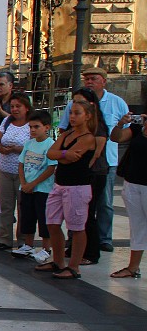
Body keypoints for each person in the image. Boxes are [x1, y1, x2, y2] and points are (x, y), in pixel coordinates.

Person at [58, 68, 128, 252]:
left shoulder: (116, 103)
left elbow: (124, 131)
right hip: (77, 163)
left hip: (105, 162)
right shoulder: (72, 107)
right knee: (77, 206)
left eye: (93, 78)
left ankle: (104, 238)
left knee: (104, 203)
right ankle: (74, 239)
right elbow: (63, 129)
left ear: (104, 81)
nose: (89, 81)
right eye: (86, 78)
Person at [37, 100, 97, 279]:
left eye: (77, 113)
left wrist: (62, 156)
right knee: (53, 223)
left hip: (77, 187)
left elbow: (73, 158)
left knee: (77, 227)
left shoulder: (88, 138)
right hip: (60, 184)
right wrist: (64, 154)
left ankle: (74, 266)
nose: (72, 117)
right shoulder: (66, 135)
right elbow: (52, 153)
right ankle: (58, 261)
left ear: (87, 116)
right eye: (71, 113)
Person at [68, 89, 109, 265]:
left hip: (93, 173)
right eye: (73, 102)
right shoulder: (75, 127)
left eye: (80, 102)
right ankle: (75, 248)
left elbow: (95, 154)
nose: (75, 105)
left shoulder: (97, 126)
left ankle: (91, 252)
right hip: (78, 174)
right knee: (76, 213)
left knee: (87, 213)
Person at [13, 110, 56, 263]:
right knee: (27, 217)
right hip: (26, 188)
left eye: (36, 127)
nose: (32, 130)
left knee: (44, 218)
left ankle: (46, 248)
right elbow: (21, 163)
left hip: (42, 189)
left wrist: (33, 183)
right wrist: (24, 183)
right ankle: (28, 245)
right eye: (30, 127)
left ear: (47, 127)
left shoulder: (51, 145)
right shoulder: (29, 143)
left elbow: (51, 168)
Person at [109, 110, 147, 279]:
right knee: (137, 226)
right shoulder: (139, 128)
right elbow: (116, 138)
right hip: (132, 183)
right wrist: (120, 123)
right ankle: (133, 267)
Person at [0, 94, 32, 250]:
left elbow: (37, 145)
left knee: (23, 206)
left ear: (26, 108)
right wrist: (0, 148)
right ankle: (5, 239)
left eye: (18, 106)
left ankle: (22, 239)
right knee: (6, 205)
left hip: (23, 171)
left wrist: (18, 149)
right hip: (4, 169)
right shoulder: (7, 121)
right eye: (13, 106)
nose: (15, 109)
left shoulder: (31, 124)